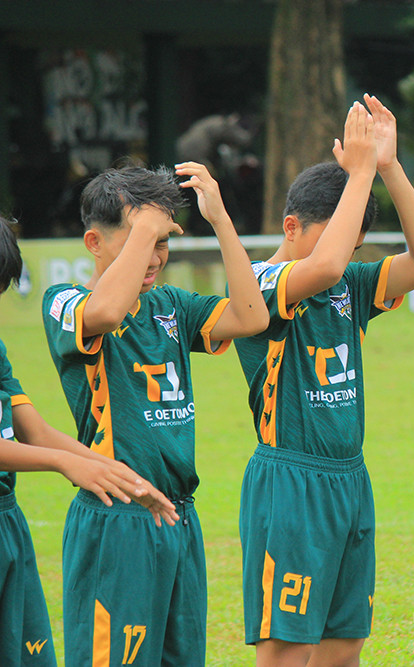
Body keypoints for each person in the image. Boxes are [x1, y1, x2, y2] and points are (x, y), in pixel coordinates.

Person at [233, 96, 414, 667]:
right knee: (288, 648)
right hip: (291, 481)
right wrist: (358, 175)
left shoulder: (348, 285)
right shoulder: (259, 284)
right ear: (291, 226)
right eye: (338, 236)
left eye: (354, 245)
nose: (345, 254)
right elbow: (323, 265)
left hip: (350, 479)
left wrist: (388, 167)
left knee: (345, 644)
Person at [41, 163, 268, 666]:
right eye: (140, 240)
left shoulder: (172, 305)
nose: (154, 256)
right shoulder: (65, 302)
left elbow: (252, 317)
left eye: (162, 242)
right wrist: (147, 224)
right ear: (94, 243)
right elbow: (105, 313)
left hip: (179, 517)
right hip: (117, 519)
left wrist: (220, 220)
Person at [0, 217, 177, 667]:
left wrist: (121, 476)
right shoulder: (66, 302)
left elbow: (36, 432)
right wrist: (66, 464)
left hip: (7, 521)